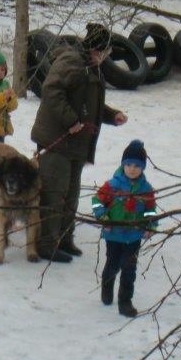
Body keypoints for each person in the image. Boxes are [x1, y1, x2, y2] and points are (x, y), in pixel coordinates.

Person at [30, 23, 127, 263]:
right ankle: (46, 244)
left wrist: (111, 115)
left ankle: (64, 239)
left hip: (77, 145)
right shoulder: (72, 62)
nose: (106, 56)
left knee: (70, 196)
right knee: (54, 194)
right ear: (97, 48)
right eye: (105, 51)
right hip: (57, 141)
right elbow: (51, 90)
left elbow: (88, 104)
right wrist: (70, 120)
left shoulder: (91, 67)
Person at [91, 140, 158, 317]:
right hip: (114, 235)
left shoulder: (146, 190)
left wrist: (150, 224)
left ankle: (125, 301)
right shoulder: (112, 185)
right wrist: (103, 216)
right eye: (128, 164)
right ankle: (107, 287)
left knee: (129, 269)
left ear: (143, 167)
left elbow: (150, 210)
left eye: (137, 165)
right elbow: (97, 201)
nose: (132, 169)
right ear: (123, 165)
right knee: (112, 265)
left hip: (134, 236)